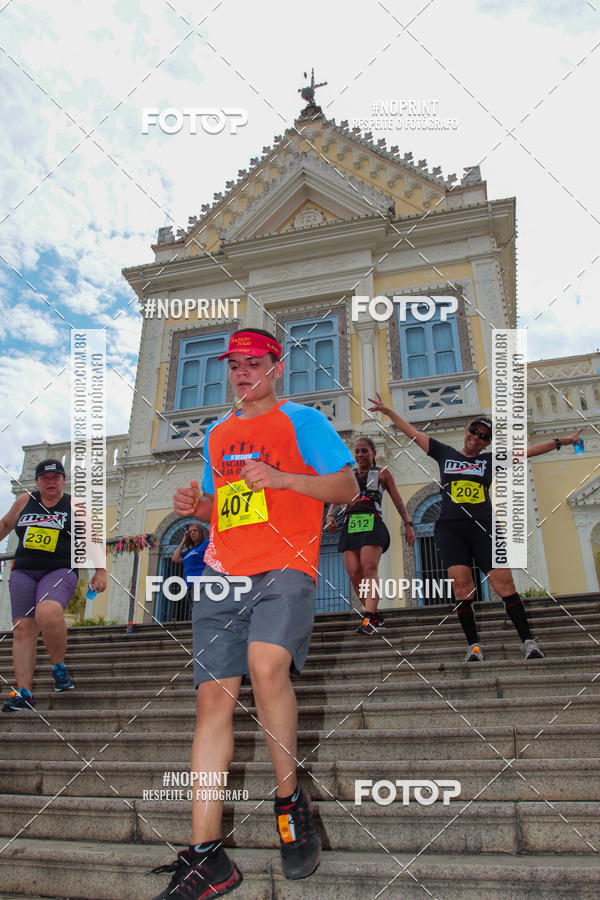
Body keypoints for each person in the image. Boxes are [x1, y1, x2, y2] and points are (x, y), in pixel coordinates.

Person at [151, 328, 356, 900]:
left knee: (267, 668)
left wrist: (286, 477)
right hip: (223, 573)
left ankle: (290, 803)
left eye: (253, 363)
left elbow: (346, 485)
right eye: (233, 365)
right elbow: (229, 508)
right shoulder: (218, 434)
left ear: (277, 367)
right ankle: (207, 856)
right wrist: (201, 505)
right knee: (211, 700)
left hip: (286, 566)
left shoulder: (304, 422)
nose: (241, 373)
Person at [368, 394, 583, 662]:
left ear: (487, 443)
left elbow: (526, 452)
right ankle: (474, 646)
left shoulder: (489, 461)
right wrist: (388, 411)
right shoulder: (445, 453)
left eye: (483, 436)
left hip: (485, 528)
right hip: (450, 530)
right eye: (474, 431)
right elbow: (412, 432)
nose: (477, 437)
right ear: (467, 431)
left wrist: (563, 441)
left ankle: (528, 641)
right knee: (462, 587)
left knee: (504, 583)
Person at [0, 459, 106, 711]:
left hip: (60, 568)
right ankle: (24, 693)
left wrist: (100, 570)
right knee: (23, 629)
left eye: (56, 477)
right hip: (24, 570)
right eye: (46, 478)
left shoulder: (75, 505)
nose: (51, 482)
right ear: (37, 482)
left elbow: (91, 538)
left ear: (63, 481)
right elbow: (5, 526)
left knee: (47, 611)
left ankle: (58, 667)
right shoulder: (25, 502)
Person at [325, 436, 415, 634]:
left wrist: (408, 523)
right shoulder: (349, 474)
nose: (360, 455)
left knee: (368, 568)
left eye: (364, 451)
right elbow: (338, 496)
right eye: (357, 451)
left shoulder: (382, 473)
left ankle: (368, 616)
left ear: (373, 453)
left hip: (372, 522)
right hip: (350, 525)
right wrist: (330, 514)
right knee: (354, 572)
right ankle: (374, 614)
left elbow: (398, 500)